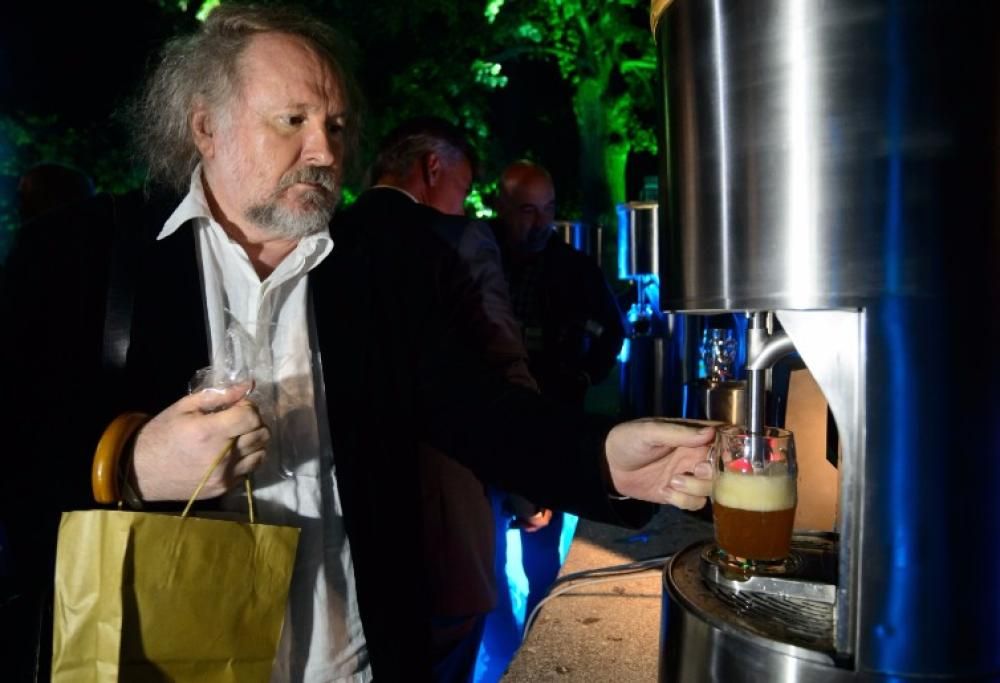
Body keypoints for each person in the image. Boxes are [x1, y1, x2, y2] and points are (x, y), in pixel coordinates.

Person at [0, 6, 714, 682]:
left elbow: (479, 412)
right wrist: (127, 465)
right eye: (293, 121)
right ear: (205, 126)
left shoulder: (373, 270)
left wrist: (606, 460)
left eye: (337, 126)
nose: (324, 150)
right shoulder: (85, 256)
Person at [352, 115, 544, 681]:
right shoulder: (457, 239)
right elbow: (502, 361)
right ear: (432, 168)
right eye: (462, 190)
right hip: (446, 510)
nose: (464, 205)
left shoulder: (330, 237)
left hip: (358, 523)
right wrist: (528, 484)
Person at [489, 160, 628, 632]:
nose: (541, 222)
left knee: (542, 555)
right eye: (528, 210)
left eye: (547, 209)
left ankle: (536, 635)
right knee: (482, 556)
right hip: (483, 419)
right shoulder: (476, 257)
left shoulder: (573, 268)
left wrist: (585, 376)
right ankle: (497, 636)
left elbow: (614, 330)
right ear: (501, 207)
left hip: (550, 421)